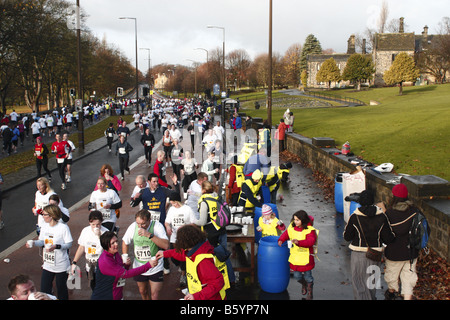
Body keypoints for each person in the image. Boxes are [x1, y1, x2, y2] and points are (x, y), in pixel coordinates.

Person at [343, 189, 395, 300]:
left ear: (360, 201)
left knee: (359, 282)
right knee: (372, 283)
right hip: (375, 254)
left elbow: (347, 236)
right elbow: (388, 237)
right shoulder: (382, 217)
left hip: (358, 254)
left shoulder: (355, 217)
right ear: (372, 201)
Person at [155, 225, 228, 300]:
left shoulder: (203, 261)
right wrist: (165, 253)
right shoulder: (195, 250)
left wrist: (196, 296)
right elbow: (181, 254)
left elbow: (218, 282)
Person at [91, 231, 157, 300]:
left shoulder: (115, 254)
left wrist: (126, 266)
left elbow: (120, 271)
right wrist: (148, 265)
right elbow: (126, 274)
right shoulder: (105, 261)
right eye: (113, 243)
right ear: (106, 245)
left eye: (116, 241)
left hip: (117, 295)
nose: (116, 244)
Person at [26, 204, 73, 300]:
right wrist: (33, 242)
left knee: (61, 290)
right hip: (48, 264)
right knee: (44, 290)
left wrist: (56, 246)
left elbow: (69, 244)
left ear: (51, 216)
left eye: (45, 214)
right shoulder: (44, 227)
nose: (43, 216)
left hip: (61, 265)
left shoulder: (63, 228)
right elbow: (42, 241)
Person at [122, 209, 169, 300]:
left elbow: (166, 245)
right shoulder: (133, 227)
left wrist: (149, 235)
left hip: (155, 266)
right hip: (139, 266)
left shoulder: (157, 226)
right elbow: (125, 241)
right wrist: (125, 256)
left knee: (154, 294)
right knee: (143, 291)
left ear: (149, 220)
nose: (140, 226)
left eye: (143, 224)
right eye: (138, 223)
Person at [384, 183, 419, 300]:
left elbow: (386, 235)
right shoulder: (415, 211)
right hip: (411, 251)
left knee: (392, 275)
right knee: (409, 276)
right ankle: (407, 297)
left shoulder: (389, 213)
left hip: (394, 252)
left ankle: (392, 293)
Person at [278, 210, 318, 300]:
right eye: (294, 219)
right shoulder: (292, 227)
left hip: (306, 257)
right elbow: (286, 234)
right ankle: (304, 284)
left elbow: (311, 241)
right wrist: (281, 239)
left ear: (303, 221)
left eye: (297, 220)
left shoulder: (309, 230)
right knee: (297, 276)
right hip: (296, 257)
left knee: (308, 276)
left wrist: (299, 242)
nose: (295, 221)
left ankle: (310, 290)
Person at [70, 210, 108, 291]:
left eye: (98, 224)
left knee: (102, 289)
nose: (95, 227)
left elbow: (109, 250)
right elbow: (81, 247)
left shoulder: (106, 232)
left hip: (102, 267)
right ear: (89, 222)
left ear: (101, 222)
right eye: (93, 224)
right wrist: (74, 262)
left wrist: (99, 236)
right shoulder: (85, 231)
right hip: (90, 266)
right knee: (93, 288)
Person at [164, 192, 196, 286]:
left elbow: (194, 223)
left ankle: (183, 275)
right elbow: (167, 222)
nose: (174, 205)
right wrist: (168, 227)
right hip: (174, 237)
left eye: (174, 202)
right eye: (172, 203)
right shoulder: (171, 210)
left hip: (185, 237)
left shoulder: (187, 209)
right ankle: (182, 267)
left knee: (182, 256)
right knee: (173, 256)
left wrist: (185, 226)